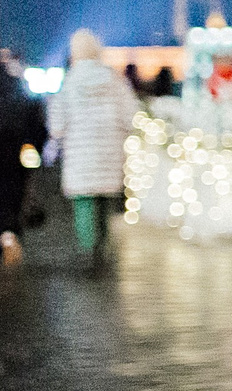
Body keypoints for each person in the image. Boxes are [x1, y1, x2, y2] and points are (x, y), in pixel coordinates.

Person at [51, 31, 139, 269]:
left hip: (81, 153)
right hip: (109, 152)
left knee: (85, 203)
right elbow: (130, 115)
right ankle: (102, 247)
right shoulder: (114, 80)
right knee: (103, 202)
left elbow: (57, 122)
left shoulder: (70, 82)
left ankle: (89, 249)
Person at [0, 50, 43, 266]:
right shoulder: (19, 89)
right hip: (14, 154)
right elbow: (36, 123)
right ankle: (9, 234)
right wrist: (36, 148)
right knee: (12, 196)